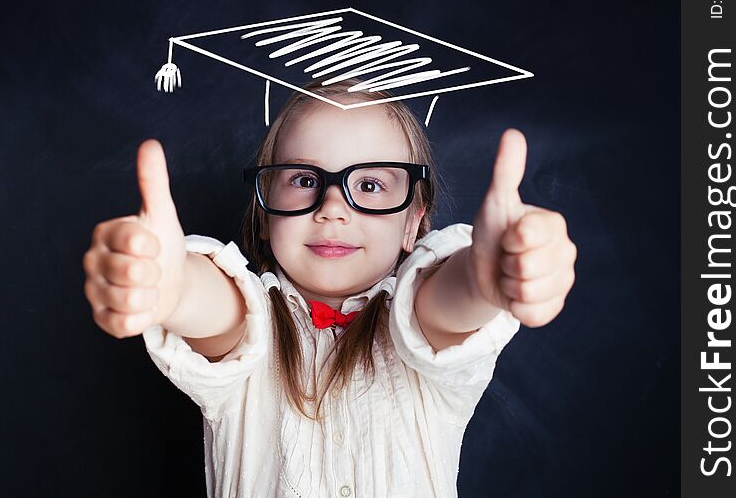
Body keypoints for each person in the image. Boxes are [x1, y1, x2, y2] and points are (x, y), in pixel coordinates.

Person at [82, 79, 577, 497]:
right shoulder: (246, 330)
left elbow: (443, 306)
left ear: (413, 224)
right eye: (303, 178)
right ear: (264, 212)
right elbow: (222, 313)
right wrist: (174, 289)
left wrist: (482, 279)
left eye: (369, 185)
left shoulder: (424, 323)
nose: (332, 207)